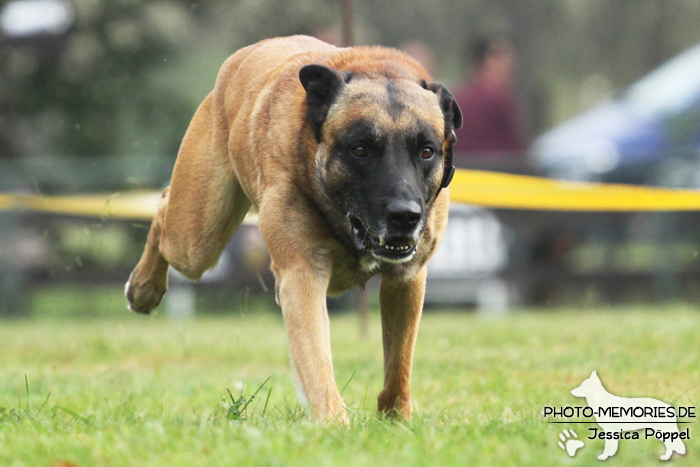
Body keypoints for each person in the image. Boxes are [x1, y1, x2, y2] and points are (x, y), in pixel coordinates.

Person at [453, 37, 526, 157]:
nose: (507, 63)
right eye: (498, 56)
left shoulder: (458, 98)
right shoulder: (497, 99)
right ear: (481, 62)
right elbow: (515, 149)